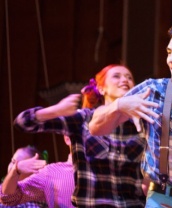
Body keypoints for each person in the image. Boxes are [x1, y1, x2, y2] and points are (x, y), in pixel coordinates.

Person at [89, 22, 172, 208]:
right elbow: (95, 128)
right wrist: (119, 105)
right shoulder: (154, 90)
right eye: (169, 52)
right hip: (163, 199)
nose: (171, 59)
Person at [13, 64, 145, 207]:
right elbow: (22, 122)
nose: (125, 80)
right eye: (116, 76)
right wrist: (56, 110)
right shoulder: (83, 119)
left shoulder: (142, 125)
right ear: (101, 88)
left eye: (129, 77)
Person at [0, 136, 74, 207]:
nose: (11, 167)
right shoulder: (49, 173)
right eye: (13, 162)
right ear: (67, 138)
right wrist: (16, 169)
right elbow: (8, 198)